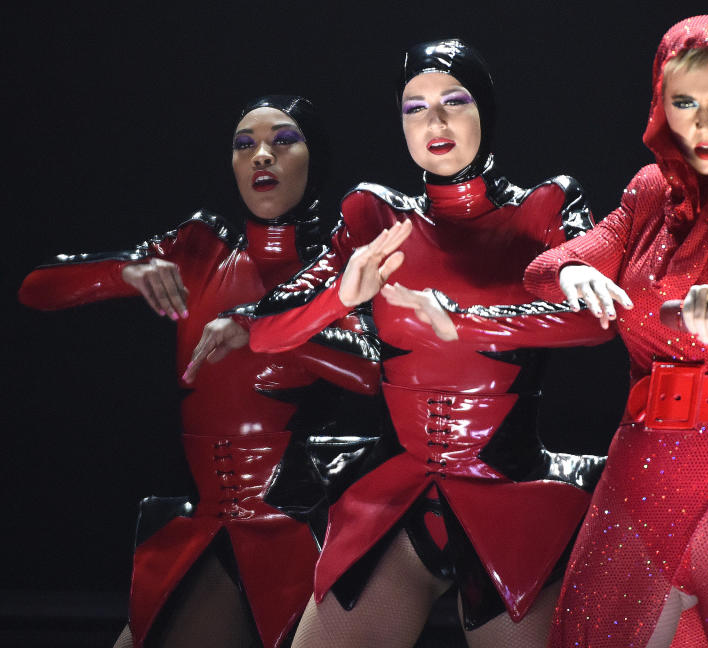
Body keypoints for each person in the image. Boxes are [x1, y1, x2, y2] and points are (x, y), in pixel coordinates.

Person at [190, 39, 612, 648]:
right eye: (415, 108)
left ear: (484, 111)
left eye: (453, 101)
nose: (435, 122)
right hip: (395, 501)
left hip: (510, 498)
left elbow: (599, 322)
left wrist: (464, 321)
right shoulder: (374, 216)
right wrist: (340, 295)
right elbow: (275, 328)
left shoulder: (544, 206)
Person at [18, 96, 381, 648]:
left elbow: (372, 370)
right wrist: (128, 268)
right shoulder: (201, 247)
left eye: (283, 141)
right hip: (207, 523)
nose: (262, 156)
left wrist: (261, 331)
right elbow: (35, 289)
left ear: (316, 157)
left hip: (301, 525)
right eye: (244, 145)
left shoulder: (337, 261)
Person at [522, 15, 708, 648]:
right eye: (683, 103)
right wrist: (575, 273)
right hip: (638, 473)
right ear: (662, 109)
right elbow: (546, 267)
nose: (704, 123)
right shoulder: (649, 192)